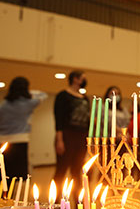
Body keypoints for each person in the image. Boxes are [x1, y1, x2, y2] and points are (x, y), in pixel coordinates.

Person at [0, 76, 47, 180]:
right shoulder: (27, 104)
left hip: (1, 140)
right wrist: (28, 93)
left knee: (4, 170)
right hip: (20, 139)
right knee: (16, 172)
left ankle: (5, 193)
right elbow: (43, 95)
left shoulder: (3, 105)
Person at [53, 70, 90, 198]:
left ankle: (78, 202)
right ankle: (56, 202)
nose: (84, 81)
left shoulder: (85, 98)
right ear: (75, 79)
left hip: (82, 137)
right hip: (67, 136)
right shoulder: (62, 96)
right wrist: (59, 139)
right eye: (83, 78)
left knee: (77, 172)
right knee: (61, 170)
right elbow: (59, 118)